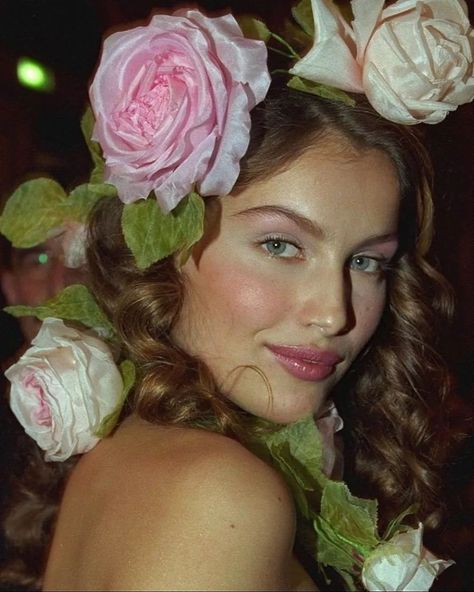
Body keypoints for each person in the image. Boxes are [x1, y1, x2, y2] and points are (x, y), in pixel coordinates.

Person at [1, 1, 472, 590]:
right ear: (168, 249)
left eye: (365, 261)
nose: (334, 312)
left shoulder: (129, 454)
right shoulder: (218, 494)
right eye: (280, 246)